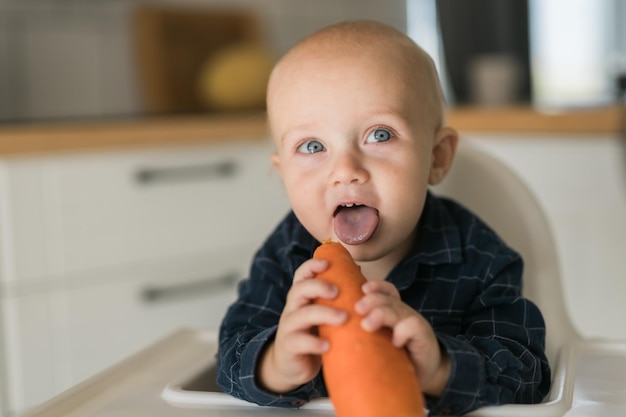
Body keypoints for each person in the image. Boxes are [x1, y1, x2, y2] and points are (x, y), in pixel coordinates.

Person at [216, 20, 550, 416]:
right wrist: (275, 364)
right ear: (282, 172)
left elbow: (527, 373)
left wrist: (441, 367)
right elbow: (229, 356)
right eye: (311, 145)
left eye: (379, 135)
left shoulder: (480, 257)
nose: (345, 169)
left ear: (437, 157)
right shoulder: (284, 256)